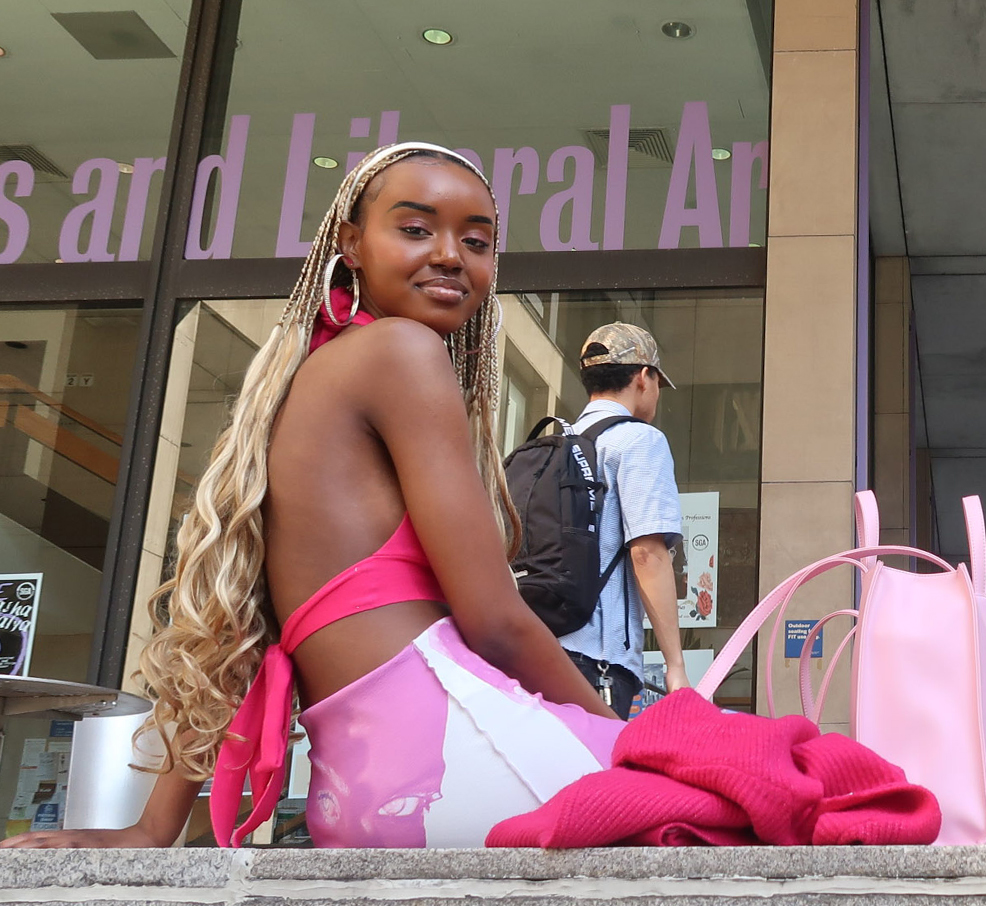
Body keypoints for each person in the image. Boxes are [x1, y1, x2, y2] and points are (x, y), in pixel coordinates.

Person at [0, 142, 627, 849]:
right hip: (459, 758)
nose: (451, 254)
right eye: (416, 229)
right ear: (351, 244)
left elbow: (238, 624)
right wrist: (635, 744)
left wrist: (153, 827)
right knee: (733, 789)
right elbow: (494, 621)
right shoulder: (402, 354)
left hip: (366, 795)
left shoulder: (306, 385)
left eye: (476, 240)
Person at [559, 322, 689, 717]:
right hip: (599, 659)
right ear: (643, 377)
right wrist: (676, 667)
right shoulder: (639, 440)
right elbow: (647, 553)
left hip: (541, 653)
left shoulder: (556, 442)